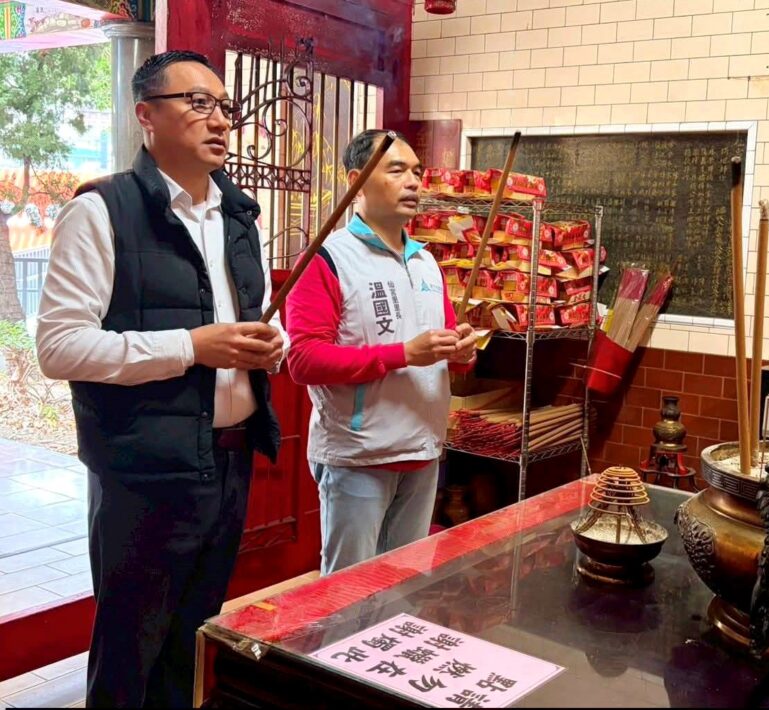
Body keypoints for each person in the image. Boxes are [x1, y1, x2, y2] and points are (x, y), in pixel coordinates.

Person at [35, 50, 286, 708]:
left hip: (228, 460)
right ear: (146, 115)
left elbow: (249, 318)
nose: (221, 121)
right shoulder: (102, 210)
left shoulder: (238, 217)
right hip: (143, 471)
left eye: (225, 107)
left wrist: (269, 345)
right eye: (198, 103)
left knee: (192, 639)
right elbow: (59, 347)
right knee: (130, 650)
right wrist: (191, 347)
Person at [286, 129, 476, 574]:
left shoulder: (426, 262)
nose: (413, 182)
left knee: (405, 585)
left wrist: (462, 352)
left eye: (417, 172)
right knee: (348, 590)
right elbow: (303, 360)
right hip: (360, 456)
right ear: (356, 181)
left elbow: (447, 350)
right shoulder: (325, 259)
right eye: (396, 170)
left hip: (423, 450)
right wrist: (403, 354)